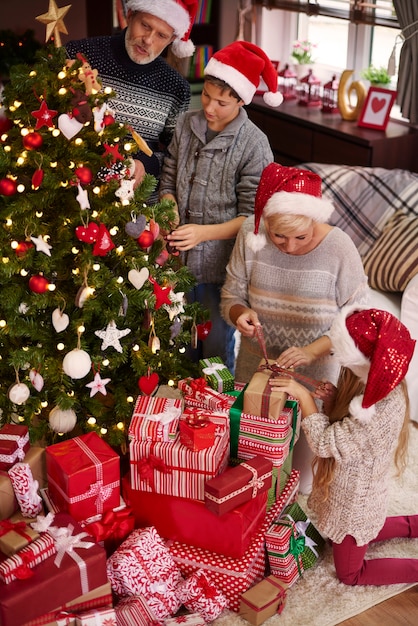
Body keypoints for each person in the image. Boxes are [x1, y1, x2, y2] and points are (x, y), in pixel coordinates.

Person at [220, 162, 370, 489]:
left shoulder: (340, 247)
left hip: (315, 380)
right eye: (279, 236)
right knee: (252, 470)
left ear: (315, 220)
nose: (289, 247)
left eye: (301, 236)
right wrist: (239, 313)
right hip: (255, 367)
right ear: (265, 224)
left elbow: (360, 322)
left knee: (299, 481)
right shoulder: (250, 234)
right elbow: (231, 294)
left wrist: (310, 351)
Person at [269, 306, 418, 586]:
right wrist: (334, 398)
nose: (340, 362)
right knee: (365, 528)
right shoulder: (379, 385)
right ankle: (413, 524)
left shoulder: (378, 412)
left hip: (354, 504)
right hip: (359, 495)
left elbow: (327, 443)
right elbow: (349, 429)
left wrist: (303, 397)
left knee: (350, 573)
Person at [161, 41, 282, 372]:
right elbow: (168, 180)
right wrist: (169, 206)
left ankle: (215, 416)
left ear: (241, 100)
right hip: (175, 262)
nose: (210, 108)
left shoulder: (254, 145)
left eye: (223, 102)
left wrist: (202, 233)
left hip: (222, 270)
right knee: (175, 341)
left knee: (214, 349)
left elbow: (252, 217)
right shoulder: (185, 125)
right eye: (206, 97)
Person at [66, 0, 198, 196]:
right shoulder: (79, 55)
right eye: (145, 25)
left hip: (136, 203)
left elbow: (174, 156)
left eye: (161, 35)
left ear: (171, 40)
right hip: (74, 191)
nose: (148, 40)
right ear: (130, 15)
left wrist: (145, 164)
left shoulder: (176, 88)